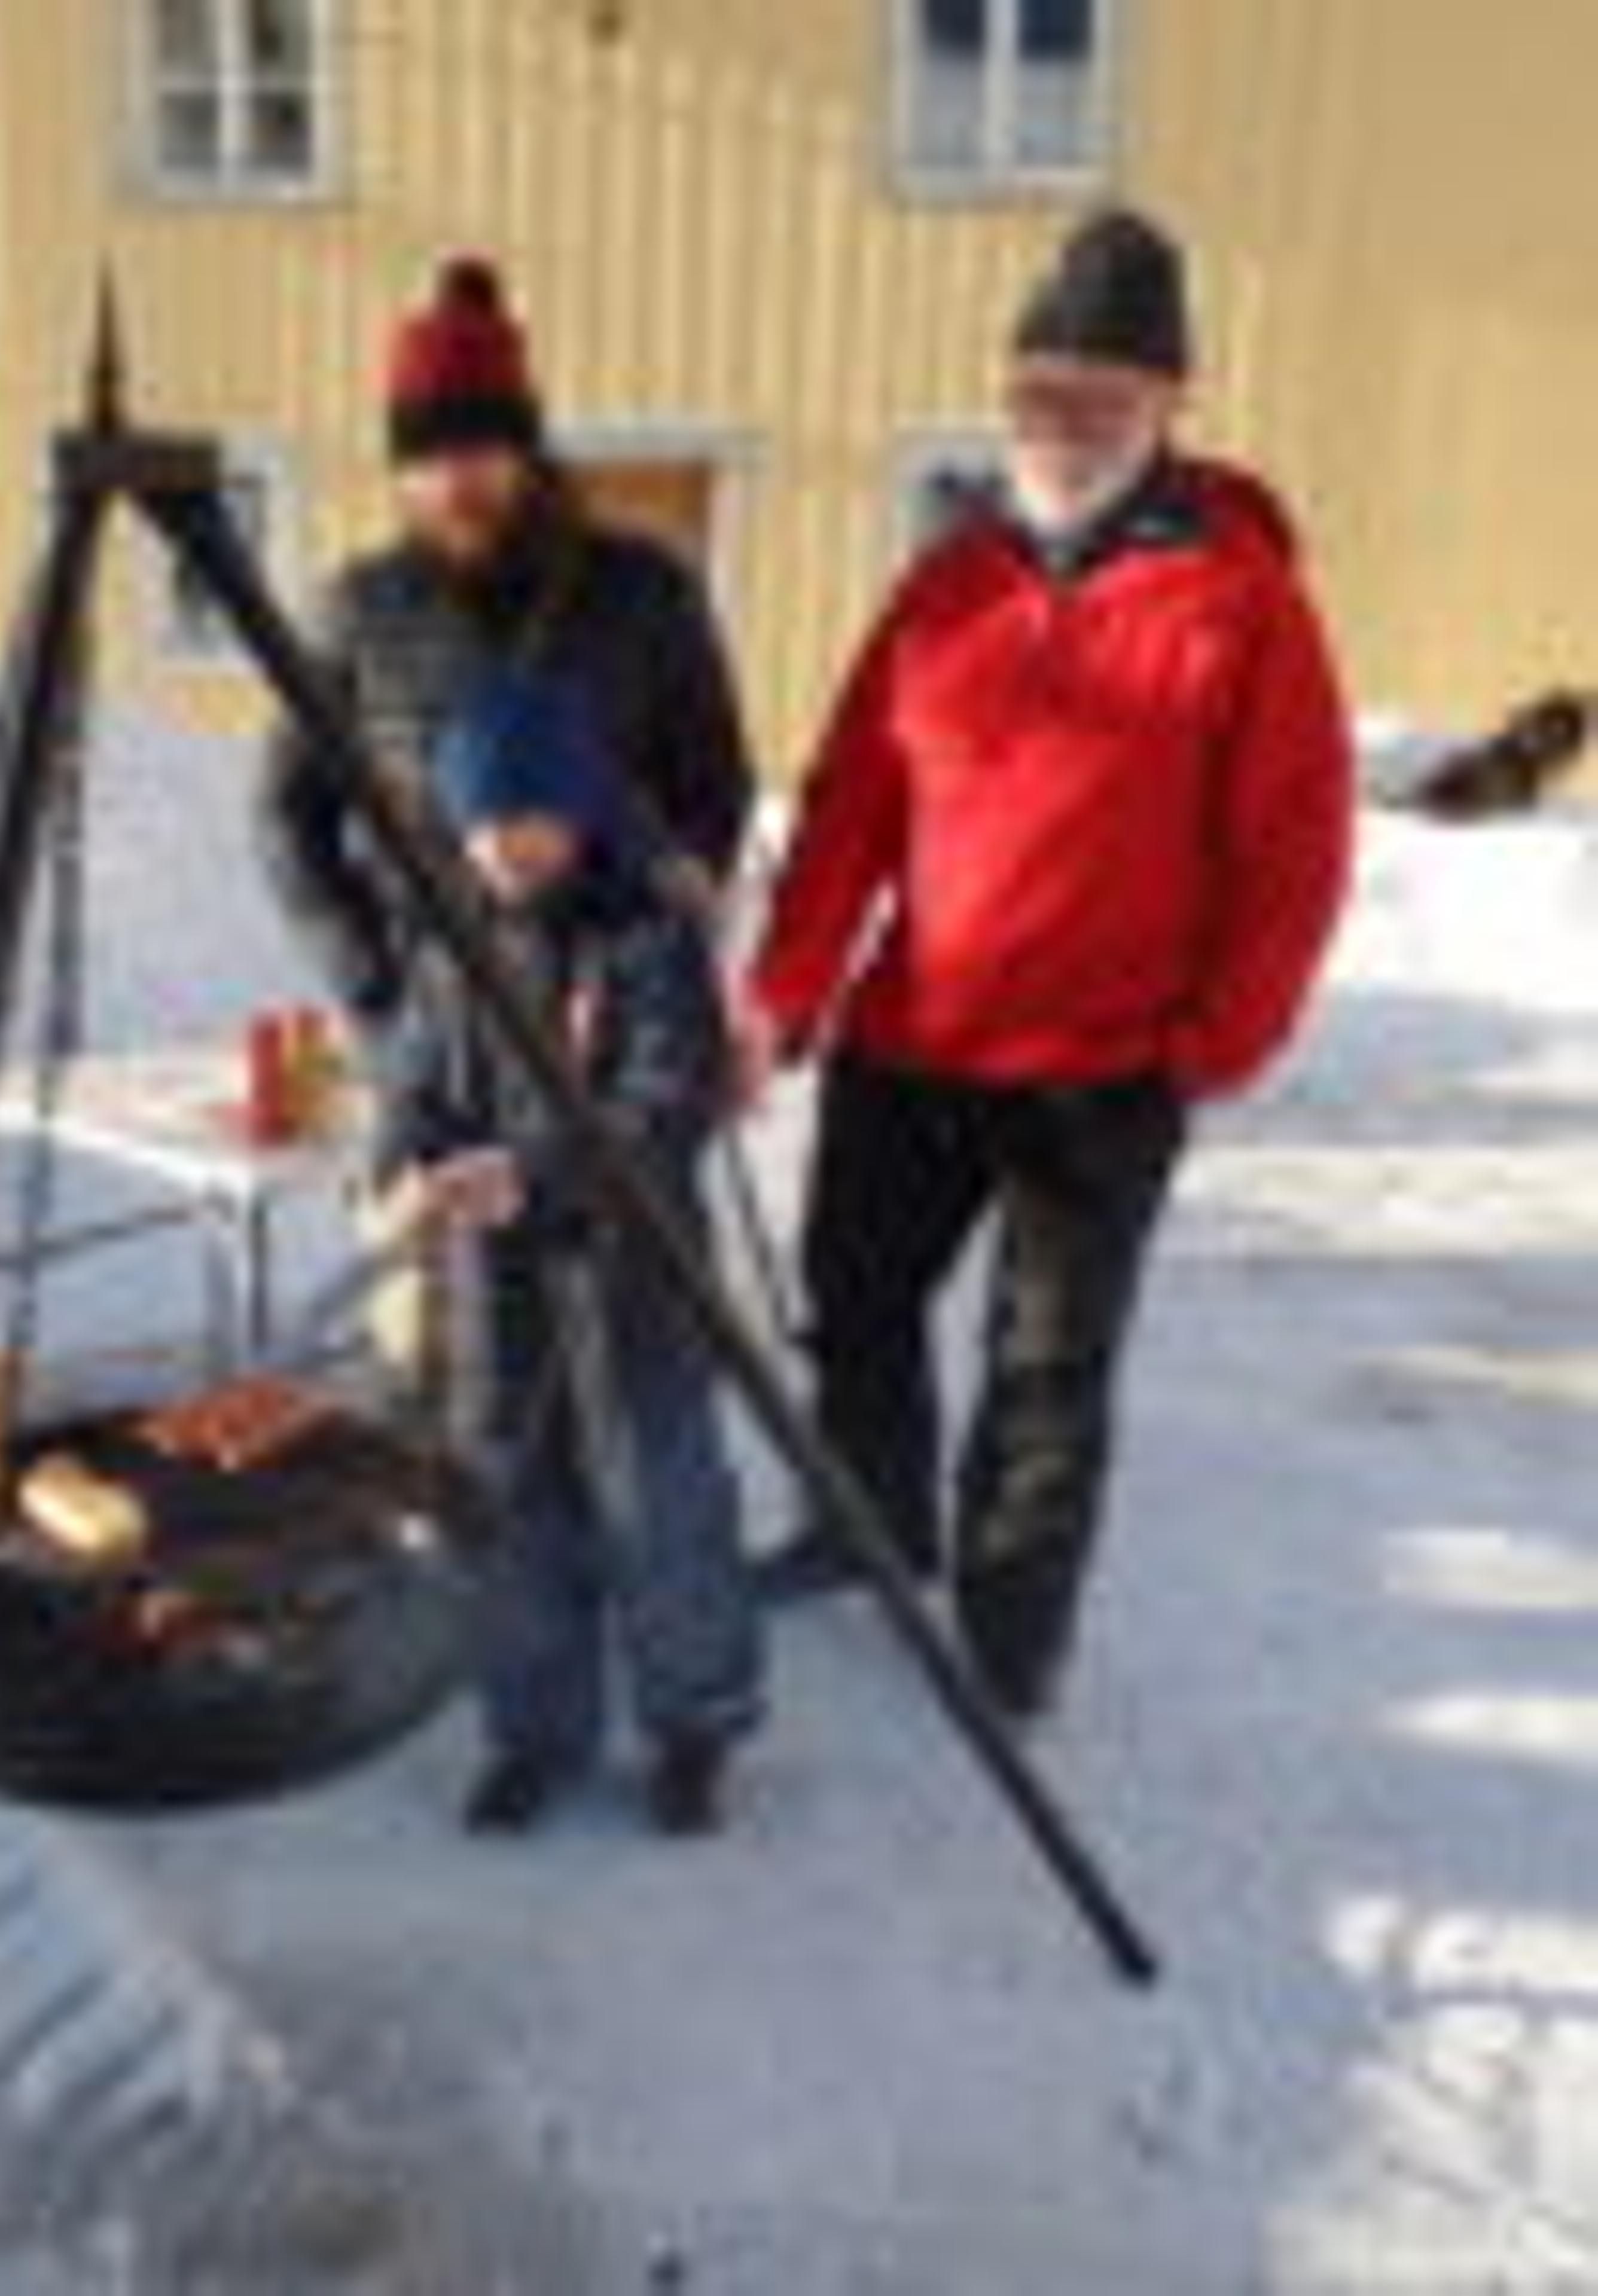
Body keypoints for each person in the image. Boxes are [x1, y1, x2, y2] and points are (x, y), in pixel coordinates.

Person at [741, 208, 1355, 1722]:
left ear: (1168, 403)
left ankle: (1013, 1635)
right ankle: (868, 1525)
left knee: (1047, 1374)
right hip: (911, 1042)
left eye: (1099, 394)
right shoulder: (949, 582)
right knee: (854, 1302)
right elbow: (852, 803)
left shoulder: (1241, 602)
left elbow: (1295, 847)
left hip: (1101, 1069)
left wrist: (1216, 1043)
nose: (1062, 421)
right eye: (1038, 391)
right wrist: (786, 990)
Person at [259, 254, 757, 1407]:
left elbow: (715, 780)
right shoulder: (359, 611)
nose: (455, 482)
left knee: (636, 1340)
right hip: (442, 1026)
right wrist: (375, 986)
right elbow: (286, 812)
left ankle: (646, 1509)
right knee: (466, 1349)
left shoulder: (643, 592)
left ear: (528, 450)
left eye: (478, 451)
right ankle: (486, 1507)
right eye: (427, 458)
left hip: (611, 1019)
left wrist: (673, 919)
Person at [377, 673, 764, 1838]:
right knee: (510, 1504)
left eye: (535, 817)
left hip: (635, 1268)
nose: (510, 845)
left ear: (582, 810)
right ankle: (535, 1732)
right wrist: (412, 1161)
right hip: (496, 1278)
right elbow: (416, 1077)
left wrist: (533, 1172)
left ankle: (694, 1724)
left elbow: (667, 1098)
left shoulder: (647, 932)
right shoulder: (448, 939)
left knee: (663, 1500)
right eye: (488, 822)